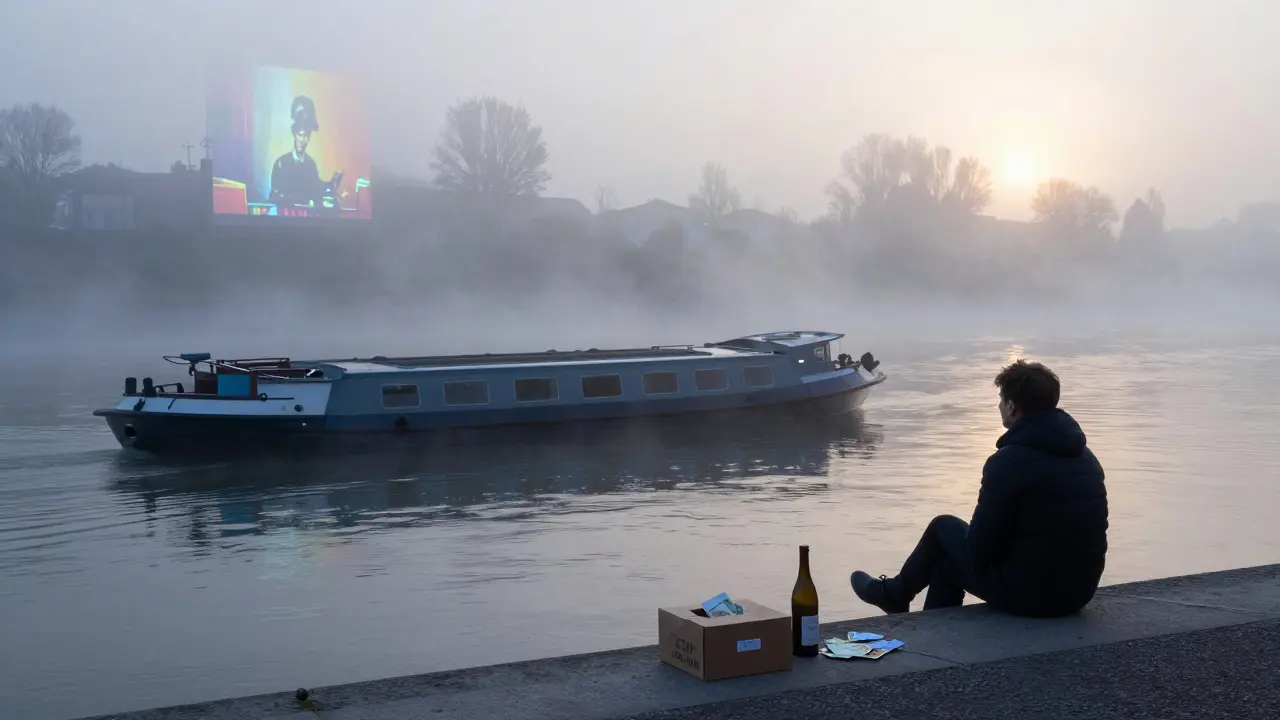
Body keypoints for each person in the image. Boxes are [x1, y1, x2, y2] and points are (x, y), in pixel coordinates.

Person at [851, 359, 1108, 618]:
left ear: (1012, 406)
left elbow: (979, 550)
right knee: (945, 566)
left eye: (1000, 400)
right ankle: (927, 629)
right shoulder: (1085, 456)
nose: (998, 406)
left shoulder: (1008, 462)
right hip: (1078, 593)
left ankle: (895, 594)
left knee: (943, 528)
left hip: (1035, 596)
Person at [268, 95, 324, 208]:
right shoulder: (281, 164)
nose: (302, 140)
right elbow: (274, 197)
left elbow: (316, 194)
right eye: (300, 135)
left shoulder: (311, 165)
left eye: (305, 136)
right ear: (294, 134)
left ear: (309, 138)